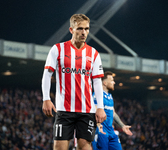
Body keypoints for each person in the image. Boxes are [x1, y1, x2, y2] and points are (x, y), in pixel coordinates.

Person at [41, 14, 106, 150]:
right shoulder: (58, 49)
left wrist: (100, 107)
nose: (84, 32)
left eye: (87, 29)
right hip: (64, 110)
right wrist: (46, 98)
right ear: (71, 30)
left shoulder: (93, 53)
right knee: (59, 147)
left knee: (85, 147)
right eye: (80, 29)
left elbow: (97, 82)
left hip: (86, 111)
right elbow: (47, 75)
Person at [92, 71, 133, 150]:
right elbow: (95, 112)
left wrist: (122, 126)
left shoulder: (109, 96)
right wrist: (98, 127)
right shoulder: (97, 95)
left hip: (111, 132)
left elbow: (113, 113)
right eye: (111, 80)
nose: (114, 82)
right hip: (102, 131)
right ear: (105, 83)